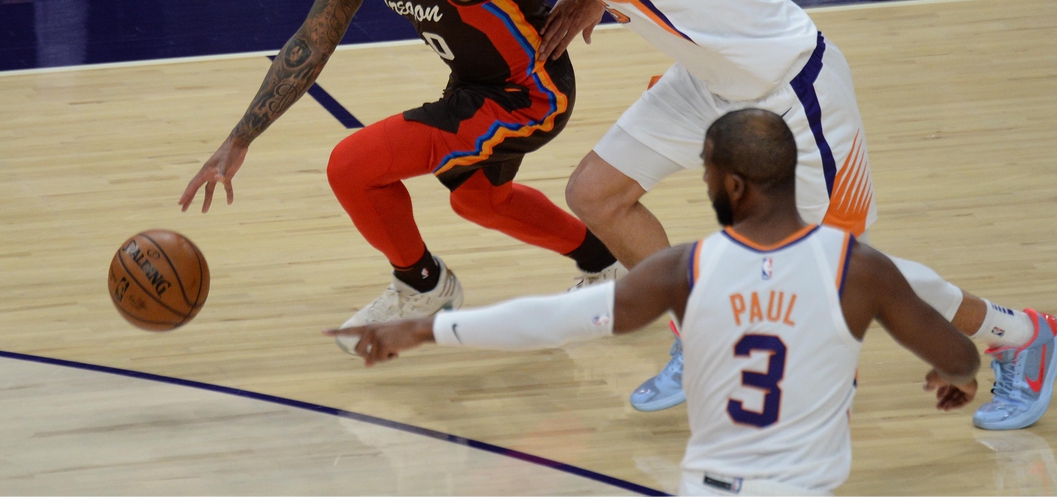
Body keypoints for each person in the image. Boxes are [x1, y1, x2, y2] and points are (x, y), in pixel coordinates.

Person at [288, 0, 1057, 427]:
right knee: (597, 193)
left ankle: (1024, 336)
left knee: (839, 276)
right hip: (711, 79)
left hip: (794, 91)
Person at [327, 109, 983, 496]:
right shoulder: (861, 270)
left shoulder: (685, 270)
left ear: (729, 183)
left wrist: (427, 331)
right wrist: (954, 375)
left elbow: (548, 320)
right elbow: (956, 351)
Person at [181, 0, 622, 353]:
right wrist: (239, 138)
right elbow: (313, 42)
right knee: (479, 201)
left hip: (527, 95)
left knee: (354, 164)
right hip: (475, 87)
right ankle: (604, 261)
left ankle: (422, 285)